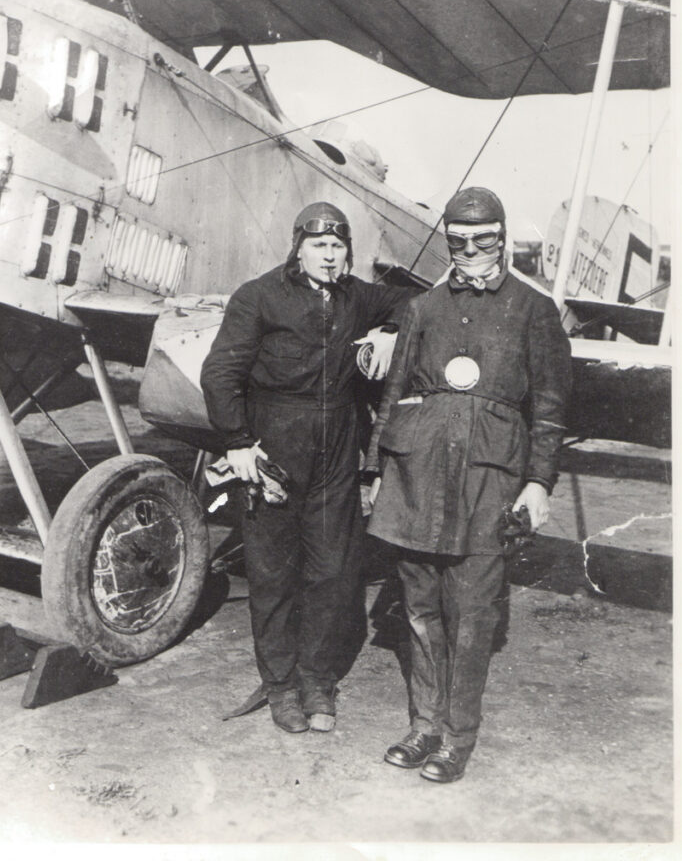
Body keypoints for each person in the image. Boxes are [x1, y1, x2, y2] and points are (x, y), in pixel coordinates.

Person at [366, 186, 571, 782]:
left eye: (484, 239)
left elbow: (551, 411)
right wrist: (377, 471)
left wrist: (539, 483)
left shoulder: (535, 312)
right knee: (421, 608)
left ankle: (458, 735)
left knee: (473, 612)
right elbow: (393, 391)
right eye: (459, 241)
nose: (471, 250)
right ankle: (424, 724)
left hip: (490, 481)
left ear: (503, 240)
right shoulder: (422, 309)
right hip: (417, 474)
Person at [200, 201, 411, 734]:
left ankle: (317, 680)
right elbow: (219, 373)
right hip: (273, 448)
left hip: (338, 449)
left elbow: (416, 301)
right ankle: (280, 687)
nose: (329, 255)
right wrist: (239, 441)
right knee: (272, 575)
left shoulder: (357, 296)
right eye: (319, 245)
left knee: (333, 573)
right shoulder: (259, 296)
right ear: (298, 246)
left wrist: (389, 330)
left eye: (338, 246)